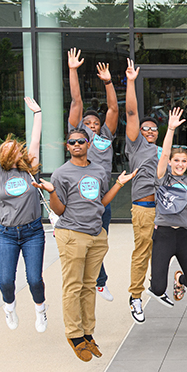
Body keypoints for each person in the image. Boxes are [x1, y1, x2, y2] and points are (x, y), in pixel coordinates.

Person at [32, 129, 135, 362]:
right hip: (72, 234)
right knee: (73, 286)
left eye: (81, 141)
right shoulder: (61, 173)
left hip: (96, 235)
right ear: (67, 146)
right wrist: (51, 192)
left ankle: (88, 333)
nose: (77, 144)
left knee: (89, 286)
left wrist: (118, 184)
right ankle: (74, 335)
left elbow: (102, 201)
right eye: (72, 142)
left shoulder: (98, 170)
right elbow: (59, 210)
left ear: (88, 144)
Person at [0, 99, 44, 331]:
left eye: (15, 146)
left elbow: (35, 139)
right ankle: (9, 308)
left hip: (32, 232)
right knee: (6, 281)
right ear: (3, 156)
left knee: (34, 279)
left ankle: (40, 311)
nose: (15, 148)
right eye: (9, 148)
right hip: (6, 234)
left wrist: (38, 113)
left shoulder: (29, 168)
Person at [67, 48, 119, 302]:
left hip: (101, 202)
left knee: (98, 245)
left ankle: (97, 281)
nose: (91, 126)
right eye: (87, 124)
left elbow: (113, 108)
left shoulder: (105, 139)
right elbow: (76, 102)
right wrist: (73, 70)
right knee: (81, 246)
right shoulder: (78, 138)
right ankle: (97, 282)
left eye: (94, 123)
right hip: (78, 203)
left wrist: (108, 82)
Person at [146, 110, 187, 308]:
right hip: (164, 235)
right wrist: (171, 128)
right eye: (177, 161)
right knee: (157, 289)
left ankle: (179, 280)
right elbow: (165, 152)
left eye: (184, 161)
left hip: (183, 236)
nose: (180, 164)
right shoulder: (162, 178)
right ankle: (160, 278)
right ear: (170, 163)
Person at [124, 58, 161, 324]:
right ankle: (135, 296)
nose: (148, 130)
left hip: (165, 209)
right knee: (142, 251)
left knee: (167, 250)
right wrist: (131, 82)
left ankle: (158, 287)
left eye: (153, 128)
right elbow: (132, 114)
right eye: (144, 128)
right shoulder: (135, 146)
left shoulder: (164, 150)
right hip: (144, 207)